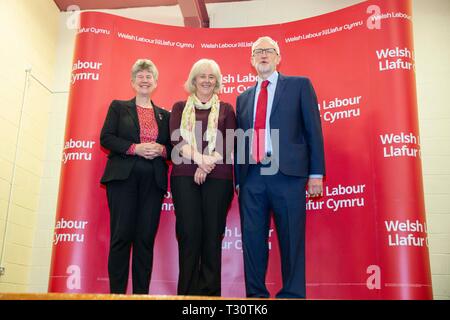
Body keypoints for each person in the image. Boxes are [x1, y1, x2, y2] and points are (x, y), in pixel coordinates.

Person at [234, 36, 325, 298]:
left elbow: (313, 131)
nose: (263, 55)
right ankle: (256, 296)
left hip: (288, 175)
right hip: (252, 176)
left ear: (278, 57)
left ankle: (293, 295)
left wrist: (316, 173)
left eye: (269, 51)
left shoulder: (299, 86)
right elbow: (241, 138)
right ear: (252, 61)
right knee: (252, 241)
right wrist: (239, 180)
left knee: (291, 238)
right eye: (257, 51)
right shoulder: (243, 97)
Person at [100, 59, 172, 294]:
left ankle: (141, 296)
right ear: (132, 82)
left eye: (148, 76)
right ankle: (117, 296)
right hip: (123, 180)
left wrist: (162, 150)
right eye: (140, 76)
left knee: (144, 241)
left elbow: (174, 148)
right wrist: (135, 148)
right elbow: (107, 138)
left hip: (153, 182)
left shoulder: (165, 115)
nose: (144, 79)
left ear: (155, 83)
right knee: (121, 237)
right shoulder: (118, 107)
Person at [169, 58, 236, 296]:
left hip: (219, 177)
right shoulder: (179, 107)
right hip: (184, 176)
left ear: (216, 81)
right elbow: (177, 139)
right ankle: (186, 294)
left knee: (211, 236)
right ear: (194, 80)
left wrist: (207, 164)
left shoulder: (227, 109)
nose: (207, 81)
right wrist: (199, 159)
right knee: (189, 235)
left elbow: (229, 141)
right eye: (202, 76)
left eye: (211, 77)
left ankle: (209, 296)